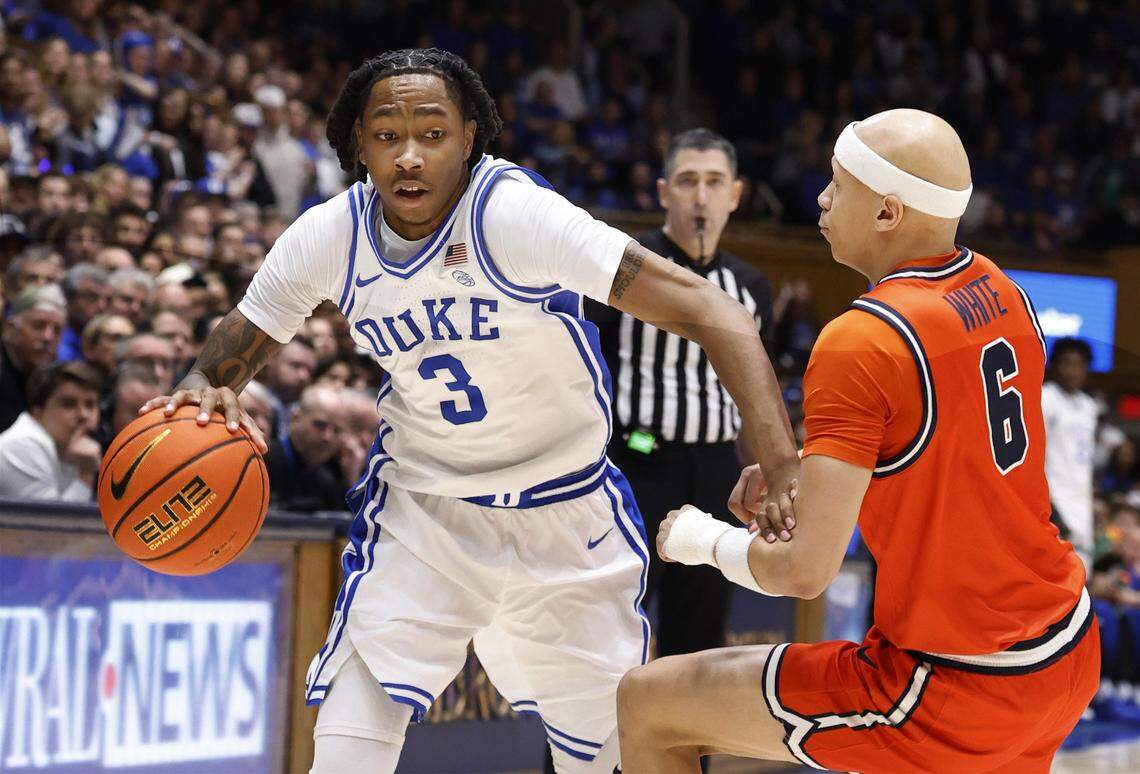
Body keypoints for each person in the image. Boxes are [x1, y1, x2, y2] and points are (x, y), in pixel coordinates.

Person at [140, 48, 795, 774]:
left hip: (566, 510)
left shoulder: (516, 215)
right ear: (358, 144)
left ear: (471, 138)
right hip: (427, 509)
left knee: (610, 753)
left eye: (432, 132)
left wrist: (777, 459)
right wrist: (204, 384)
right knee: (350, 734)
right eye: (387, 135)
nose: (409, 156)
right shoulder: (330, 235)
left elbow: (713, 309)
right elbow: (235, 343)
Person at [617, 109, 1096, 774]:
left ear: (887, 214)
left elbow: (804, 573)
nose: (820, 198)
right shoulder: (1002, 289)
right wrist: (816, 472)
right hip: (1065, 645)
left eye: (838, 185)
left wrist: (701, 539)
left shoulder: (864, 335)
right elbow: (944, 454)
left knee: (648, 704)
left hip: (951, 681)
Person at [588, 128, 773, 659]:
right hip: (637, 459)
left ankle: (691, 746)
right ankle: (584, 744)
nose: (701, 196)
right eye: (688, 181)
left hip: (717, 467)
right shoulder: (630, 267)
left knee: (701, 632)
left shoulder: (752, 286)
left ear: (734, 195)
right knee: (608, 621)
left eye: (714, 182)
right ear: (664, 192)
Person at [0, 361, 102, 501]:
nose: (83, 415)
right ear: (38, 411)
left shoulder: (70, 446)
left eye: (90, 405)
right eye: (69, 404)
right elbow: (54, 521)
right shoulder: (22, 445)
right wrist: (86, 474)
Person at [1042, 336, 1098, 570]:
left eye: (1079, 364)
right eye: (1067, 363)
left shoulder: (1089, 405)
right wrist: (1049, 507)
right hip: (1055, 501)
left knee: (1085, 573)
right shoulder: (1046, 397)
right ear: (1054, 366)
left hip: (1081, 502)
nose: (1073, 371)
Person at [264, 385, 352, 511]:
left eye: (337, 430)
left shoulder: (327, 480)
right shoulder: (262, 461)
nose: (327, 437)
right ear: (295, 419)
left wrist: (351, 478)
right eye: (320, 425)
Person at [0, 285, 67, 432]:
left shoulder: (54, 379)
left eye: (56, 330)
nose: (47, 337)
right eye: (38, 326)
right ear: (10, 328)